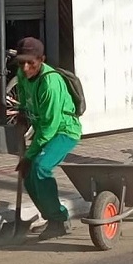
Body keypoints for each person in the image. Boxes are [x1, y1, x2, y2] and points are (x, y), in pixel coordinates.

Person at [14, 37, 82, 240]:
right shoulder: (22, 74)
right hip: (46, 128)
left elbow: (49, 129)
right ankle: (52, 218)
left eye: (31, 63)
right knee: (29, 176)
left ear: (41, 59)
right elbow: (25, 99)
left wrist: (28, 156)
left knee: (40, 167)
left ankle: (59, 219)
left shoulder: (50, 84)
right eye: (21, 62)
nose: (25, 68)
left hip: (64, 131)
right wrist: (22, 113)